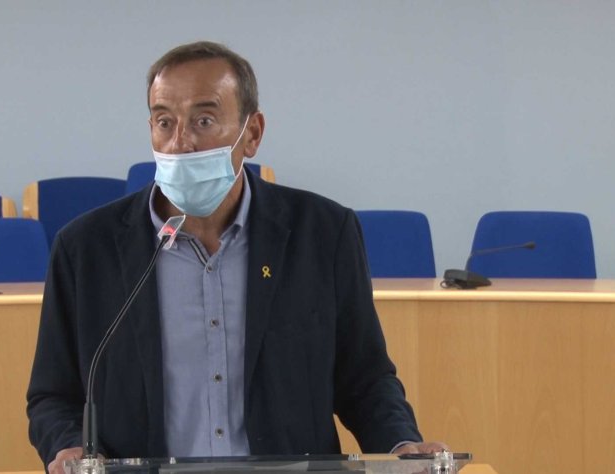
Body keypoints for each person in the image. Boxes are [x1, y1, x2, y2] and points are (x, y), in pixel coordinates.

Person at [26, 40, 448, 474]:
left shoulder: (323, 233)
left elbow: (364, 378)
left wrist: (400, 444)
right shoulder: (85, 248)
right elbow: (52, 395)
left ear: (253, 133)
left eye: (204, 120)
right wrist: (69, 446)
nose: (181, 143)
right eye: (164, 122)